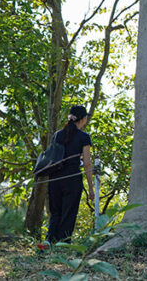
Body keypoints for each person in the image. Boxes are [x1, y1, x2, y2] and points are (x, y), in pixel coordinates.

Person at [46, 105, 94, 245]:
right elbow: (87, 164)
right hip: (72, 179)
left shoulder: (57, 135)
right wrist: (90, 187)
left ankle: (49, 240)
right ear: (83, 119)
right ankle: (63, 243)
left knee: (56, 213)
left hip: (54, 178)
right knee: (69, 213)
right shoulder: (84, 137)